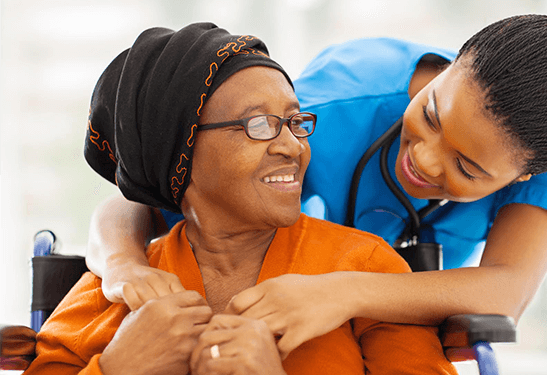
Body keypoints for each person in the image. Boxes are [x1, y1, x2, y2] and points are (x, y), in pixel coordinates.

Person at [86, 11, 547, 358]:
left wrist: (343, 290)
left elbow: (506, 291)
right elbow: (134, 200)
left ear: (524, 175)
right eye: (430, 114)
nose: (426, 162)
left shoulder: (545, 152)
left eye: (468, 169)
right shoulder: (332, 107)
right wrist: (123, 267)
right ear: (452, 65)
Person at [24, 23, 457, 375]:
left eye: (294, 120)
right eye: (259, 125)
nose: (293, 145)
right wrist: (117, 368)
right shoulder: (114, 289)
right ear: (181, 152)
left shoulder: (364, 269)